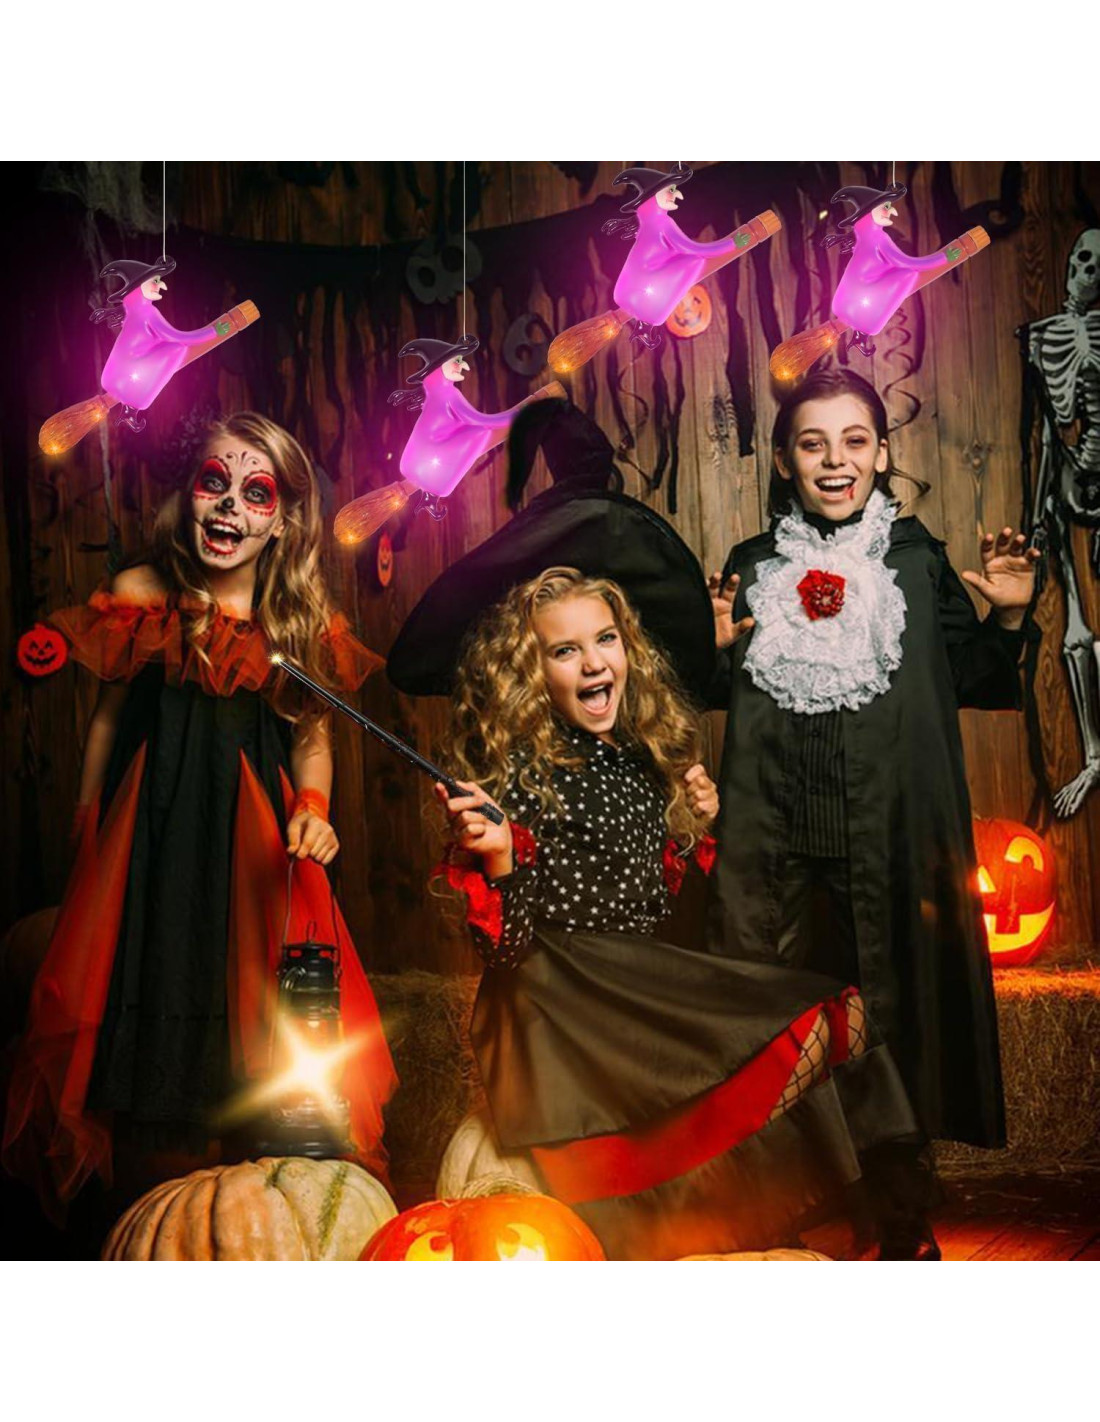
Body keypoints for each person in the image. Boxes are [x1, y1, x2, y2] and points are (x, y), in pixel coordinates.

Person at [387, 401, 925, 1261]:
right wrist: (502, 862)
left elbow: (658, 909)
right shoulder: (514, 776)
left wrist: (692, 832)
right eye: (564, 651)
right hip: (566, 1008)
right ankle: (807, 1227)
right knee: (792, 1030)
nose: (593, 661)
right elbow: (510, 954)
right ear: (528, 671)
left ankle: (888, 1228)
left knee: (837, 1017)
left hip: (639, 986)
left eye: (605, 639)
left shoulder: (638, 759)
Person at [3, 412, 397, 1214]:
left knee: (265, 998)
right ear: (188, 493)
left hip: (257, 834)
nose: (229, 506)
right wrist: (88, 823)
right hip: (155, 827)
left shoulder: (297, 622)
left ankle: (259, 1171)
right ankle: (165, 1177)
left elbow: (313, 740)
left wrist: (315, 809)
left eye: (256, 493)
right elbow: (108, 720)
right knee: (160, 964)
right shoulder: (145, 598)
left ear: (282, 521)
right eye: (214, 483)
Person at [706, 369, 1040, 1187]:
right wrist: (707, 651)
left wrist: (1008, 616)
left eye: (855, 441)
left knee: (892, 1025)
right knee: (783, 1025)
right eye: (813, 444)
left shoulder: (917, 564)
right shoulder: (753, 567)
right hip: (780, 849)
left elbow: (970, 678)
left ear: (882, 453)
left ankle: (898, 1205)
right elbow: (719, 693)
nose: (835, 461)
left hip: (889, 839)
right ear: (784, 460)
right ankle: (791, 1199)